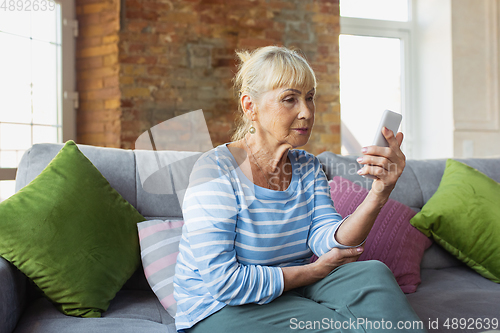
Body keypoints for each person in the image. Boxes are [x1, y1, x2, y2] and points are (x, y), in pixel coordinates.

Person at [173, 46, 427, 333]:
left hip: (294, 287)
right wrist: (312, 272)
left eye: (309, 98)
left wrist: (379, 192)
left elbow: (330, 241)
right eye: (289, 99)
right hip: (219, 307)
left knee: (373, 272)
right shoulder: (215, 172)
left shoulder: (307, 166)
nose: (306, 112)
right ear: (250, 107)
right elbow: (224, 283)